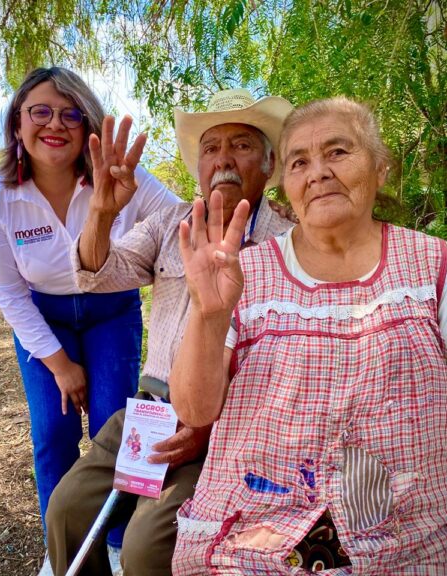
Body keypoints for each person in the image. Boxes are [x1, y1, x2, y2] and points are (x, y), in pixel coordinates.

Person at [169, 96, 447, 575]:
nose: (318, 172)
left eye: (338, 152)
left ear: (382, 167)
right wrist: (208, 314)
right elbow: (194, 410)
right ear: (285, 184)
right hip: (251, 540)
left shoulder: (437, 267)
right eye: (299, 161)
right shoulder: (245, 273)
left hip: (399, 543)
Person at [46, 88, 295, 576]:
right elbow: (98, 271)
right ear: (198, 166)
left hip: (229, 426)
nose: (223, 159)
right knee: (67, 511)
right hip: (149, 413)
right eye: (210, 148)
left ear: (269, 165)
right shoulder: (170, 222)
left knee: (145, 549)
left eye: (241, 145)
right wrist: (101, 211)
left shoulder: (287, 242)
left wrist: (207, 428)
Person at [0, 67, 179, 552]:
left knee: (116, 429)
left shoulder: (123, 178)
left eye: (70, 113)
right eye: (40, 111)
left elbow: (180, 225)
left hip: (112, 312)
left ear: (88, 125)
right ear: (17, 124)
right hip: (44, 319)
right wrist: (61, 366)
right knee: (53, 433)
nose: (55, 124)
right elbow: (7, 292)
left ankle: (116, 541)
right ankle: (63, 547)